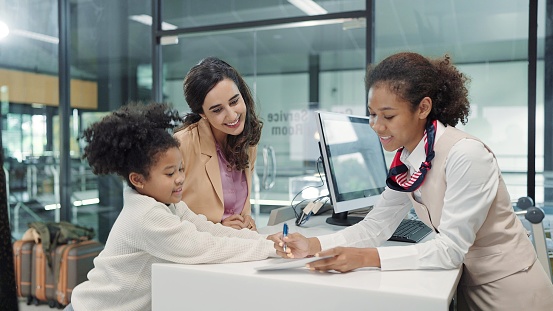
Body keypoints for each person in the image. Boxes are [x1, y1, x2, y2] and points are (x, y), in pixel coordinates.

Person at [274, 52, 553, 310]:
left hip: (511, 289)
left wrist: (368, 258)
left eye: (388, 115)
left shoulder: (465, 155)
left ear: (423, 108)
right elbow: (376, 226)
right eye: (372, 114)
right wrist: (314, 245)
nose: (376, 125)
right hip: (470, 282)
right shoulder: (406, 159)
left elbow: (450, 249)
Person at [67, 102, 276, 311]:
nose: (180, 179)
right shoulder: (146, 215)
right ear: (138, 179)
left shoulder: (167, 205)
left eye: (181, 169)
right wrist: (272, 248)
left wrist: (267, 240)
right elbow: (202, 246)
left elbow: (208, 229)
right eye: (169, 173)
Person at [174, 57, 262, 231]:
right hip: (200, 251)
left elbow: (239, 207)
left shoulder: (248, 142)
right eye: (217, 110)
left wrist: (247, 221)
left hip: (236, 248)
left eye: (234, 101)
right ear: (202, 113)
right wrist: (217, 228)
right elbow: (163, 217)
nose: (231, 115)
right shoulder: (181, 145)